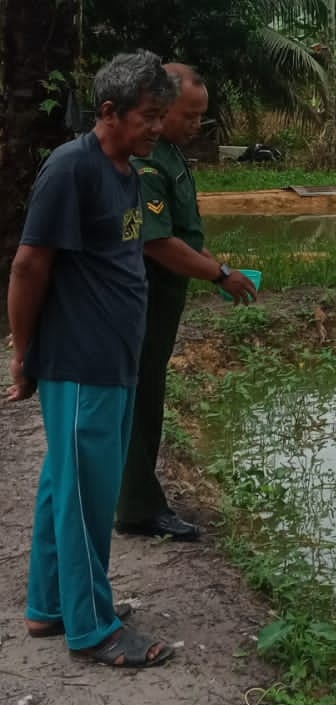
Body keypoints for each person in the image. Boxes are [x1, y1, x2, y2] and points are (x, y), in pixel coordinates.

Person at [7, 50, 176, 667]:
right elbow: (29, 265)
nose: (158, 127)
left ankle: (51, 606)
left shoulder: (126, 170)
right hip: (81, 364)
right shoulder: (70, 169)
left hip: (113, 361)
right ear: (110, 112)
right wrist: (23, 354)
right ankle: (93, 630)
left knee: (64, 488)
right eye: (149, 116)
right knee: (86, 497)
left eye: (162, 115)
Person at [114, 64, 256, 542]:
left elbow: (183, 232)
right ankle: (136, 506)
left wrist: (219, 268)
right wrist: (218, 273)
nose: (197, 125)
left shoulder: (170, 154)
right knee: (139, 400)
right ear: (161, 108)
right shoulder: (147, 165)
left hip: (164, 300)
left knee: (147, 396)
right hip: (144, 301)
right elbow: (156, 242)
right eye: (188, 115)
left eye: (201, 117)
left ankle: (135, 497)